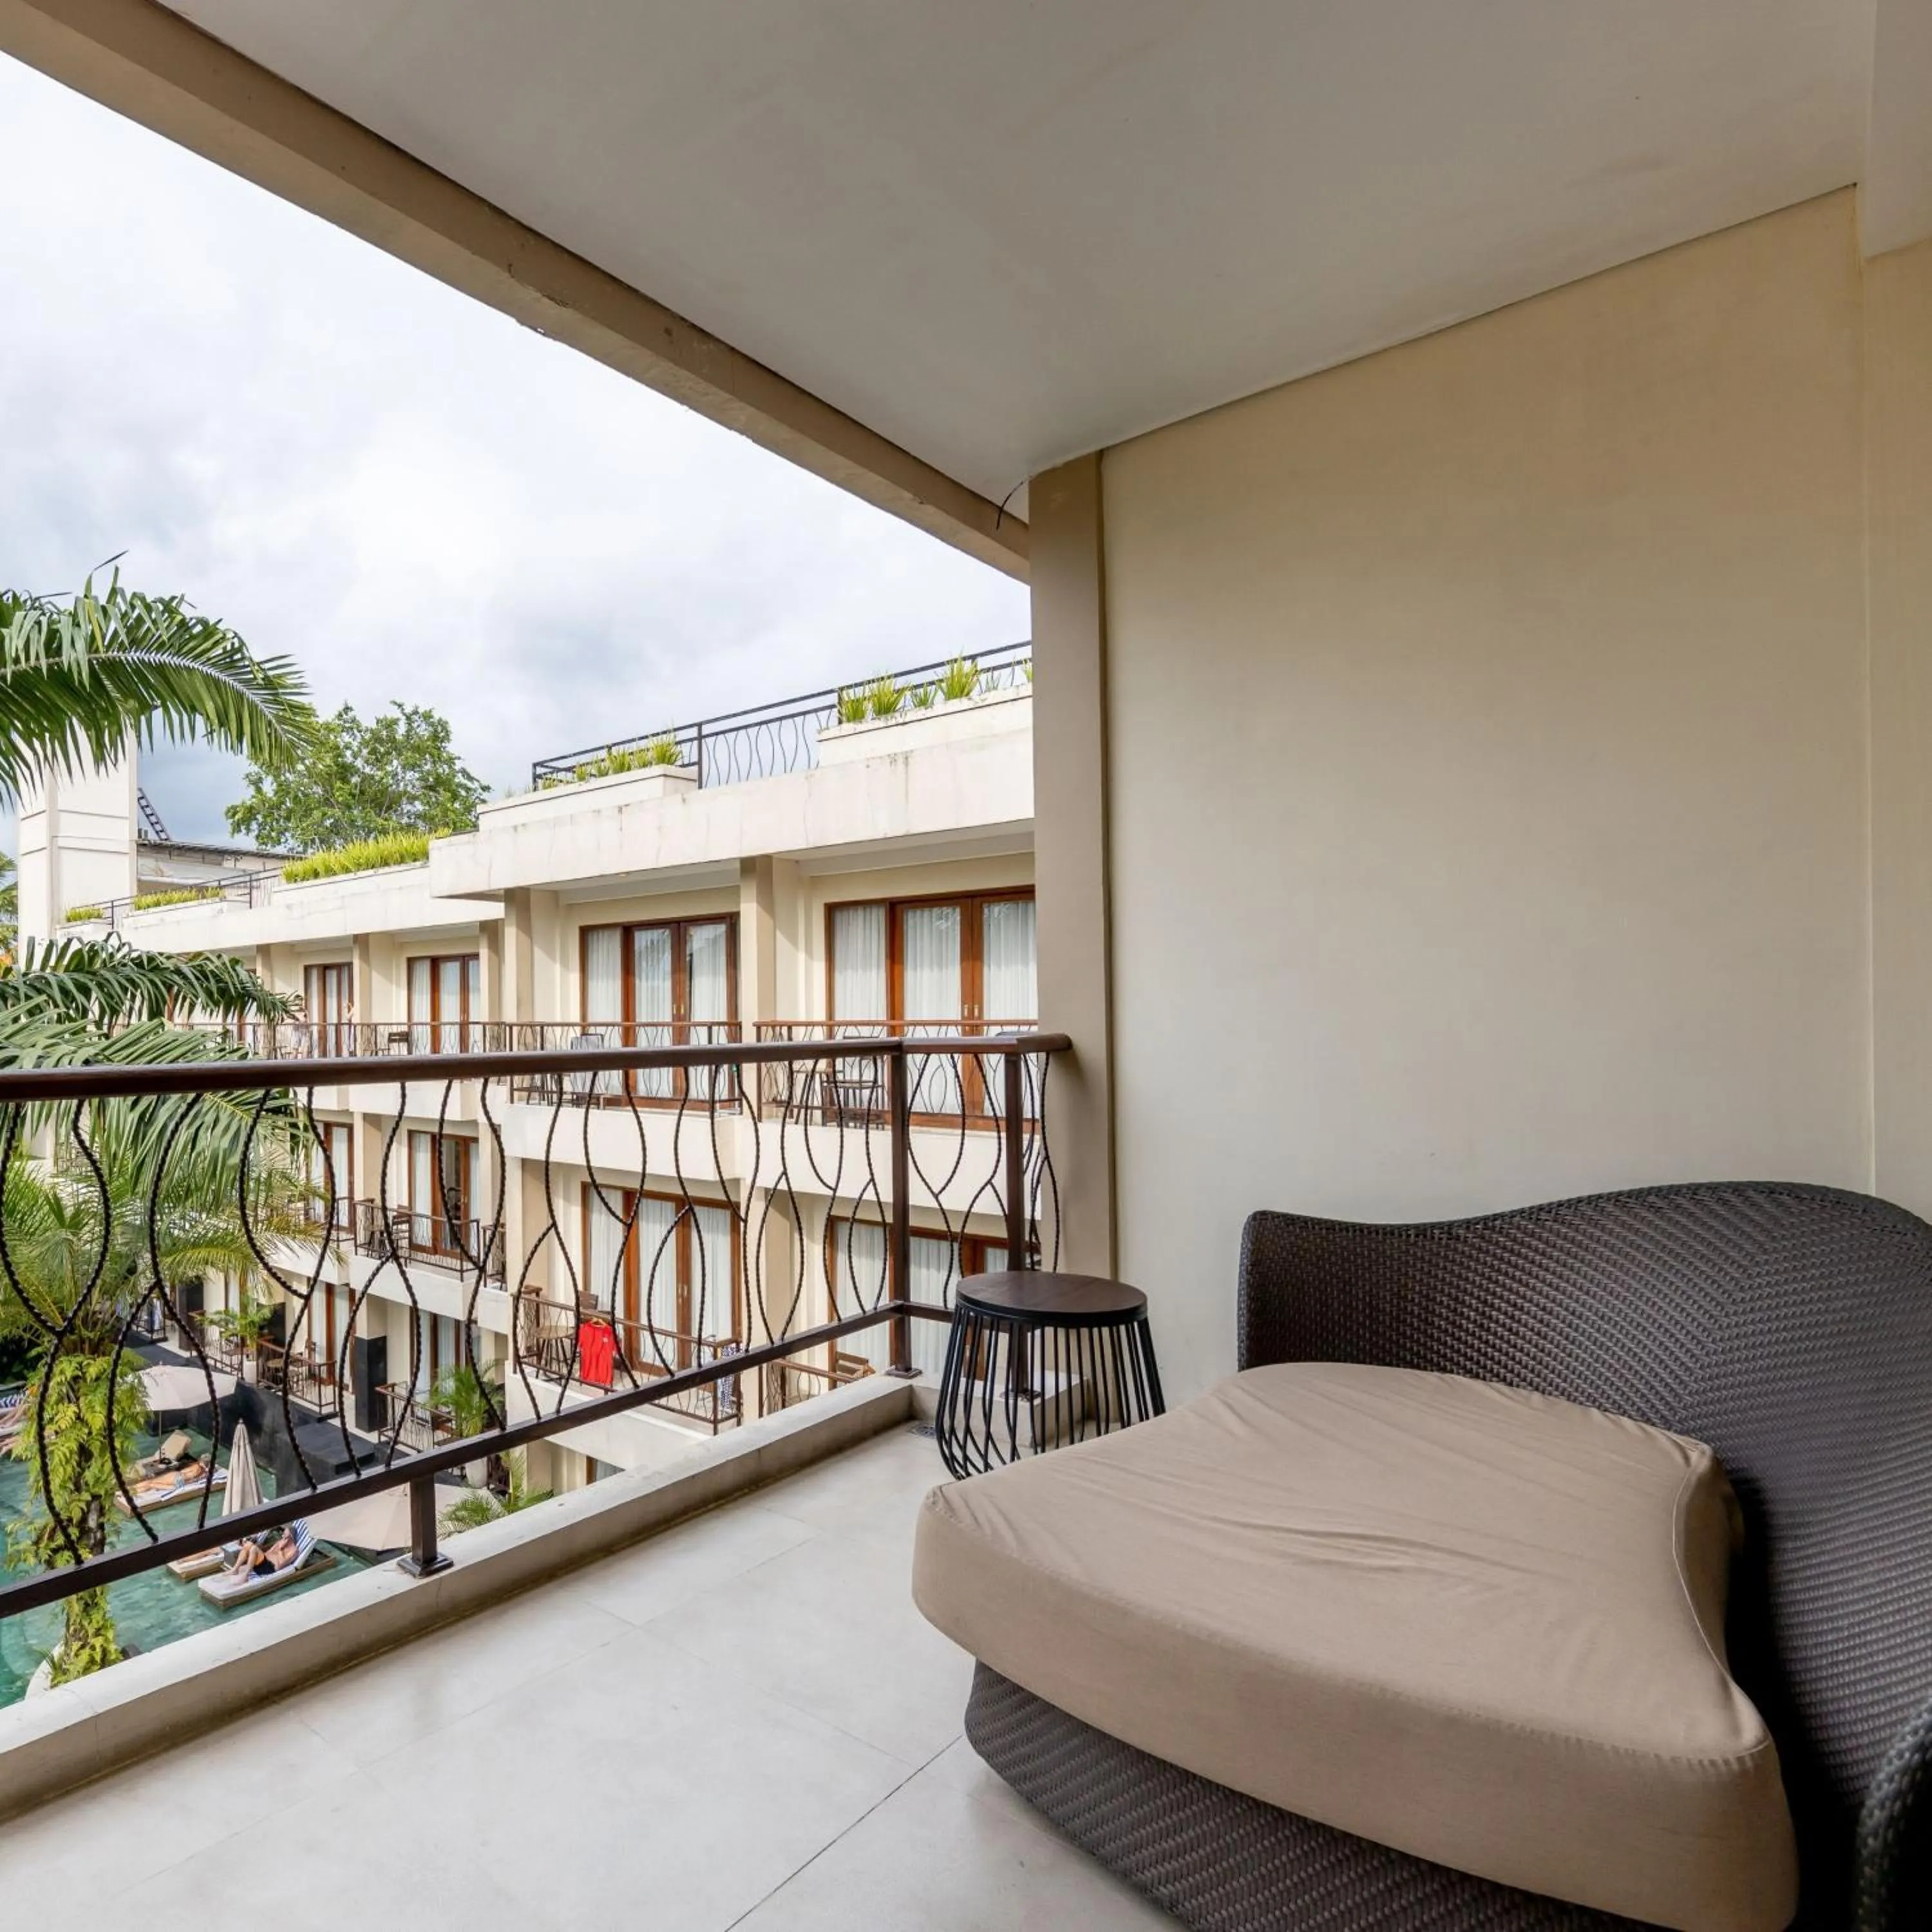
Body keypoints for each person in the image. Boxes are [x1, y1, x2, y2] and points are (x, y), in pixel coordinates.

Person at [225, 1525, 298, 1580]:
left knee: (254, 1548)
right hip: (262, 1563)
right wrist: (257, 1556)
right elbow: (269, 1552)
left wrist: (281, 1550)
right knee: (249, 1545)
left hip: (270, 1568)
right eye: (283, 1534)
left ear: (291, 1536)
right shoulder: (281, 1542)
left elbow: (280, 1565)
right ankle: (235, 1569)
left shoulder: (294, 1551)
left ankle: (246, 1575)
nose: (283, 1535)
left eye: (285, 1535)